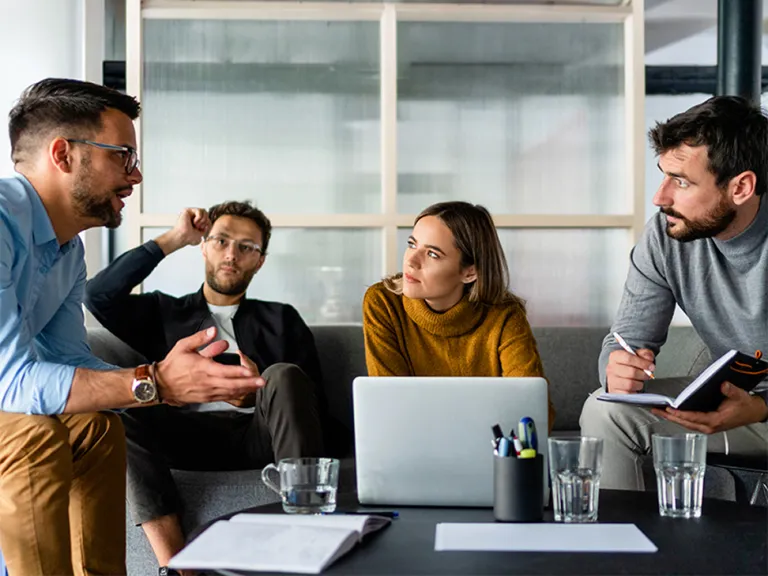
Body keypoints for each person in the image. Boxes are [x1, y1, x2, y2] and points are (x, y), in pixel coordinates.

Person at [0, 78, 263, 576]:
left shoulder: (66, 250)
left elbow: (66, 360)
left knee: (99, 427)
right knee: (34, 436)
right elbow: (9, 379)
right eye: (123, 156)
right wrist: (155, 383)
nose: (136, 175)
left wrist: (164, 381)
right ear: (63, 155)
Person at [85, 202, 336, 573]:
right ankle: (179, 567)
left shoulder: (281, 318)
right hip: (179, 437)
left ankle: (305, 542)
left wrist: (255, 393)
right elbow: (97, 296)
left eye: (247, 247)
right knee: (124, 401)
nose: (231, 254)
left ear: (260, 260)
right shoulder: (163, 311)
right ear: (203, 246)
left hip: (258, 437)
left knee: (283, 373)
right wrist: (173, 239)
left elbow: (310, 404)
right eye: (221, 240)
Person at [580, 95, 768, 491]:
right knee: (605, 409)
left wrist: (761, 407)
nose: (660, 197)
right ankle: (620, 550)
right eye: (664, 175)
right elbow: (625, 340)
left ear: (741, 187)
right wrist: (617, 370)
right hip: (732, 404)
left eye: (681, 181)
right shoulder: (666, 236)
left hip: (759, 410)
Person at [362, 201, 555, 429]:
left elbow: (533, 413)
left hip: (488, 450)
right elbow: (389, 406)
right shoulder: (383, 302)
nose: (411, 261)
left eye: (432, 254)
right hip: (412, 441)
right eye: (412, 244)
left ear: (470, 271)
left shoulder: (504, 315)